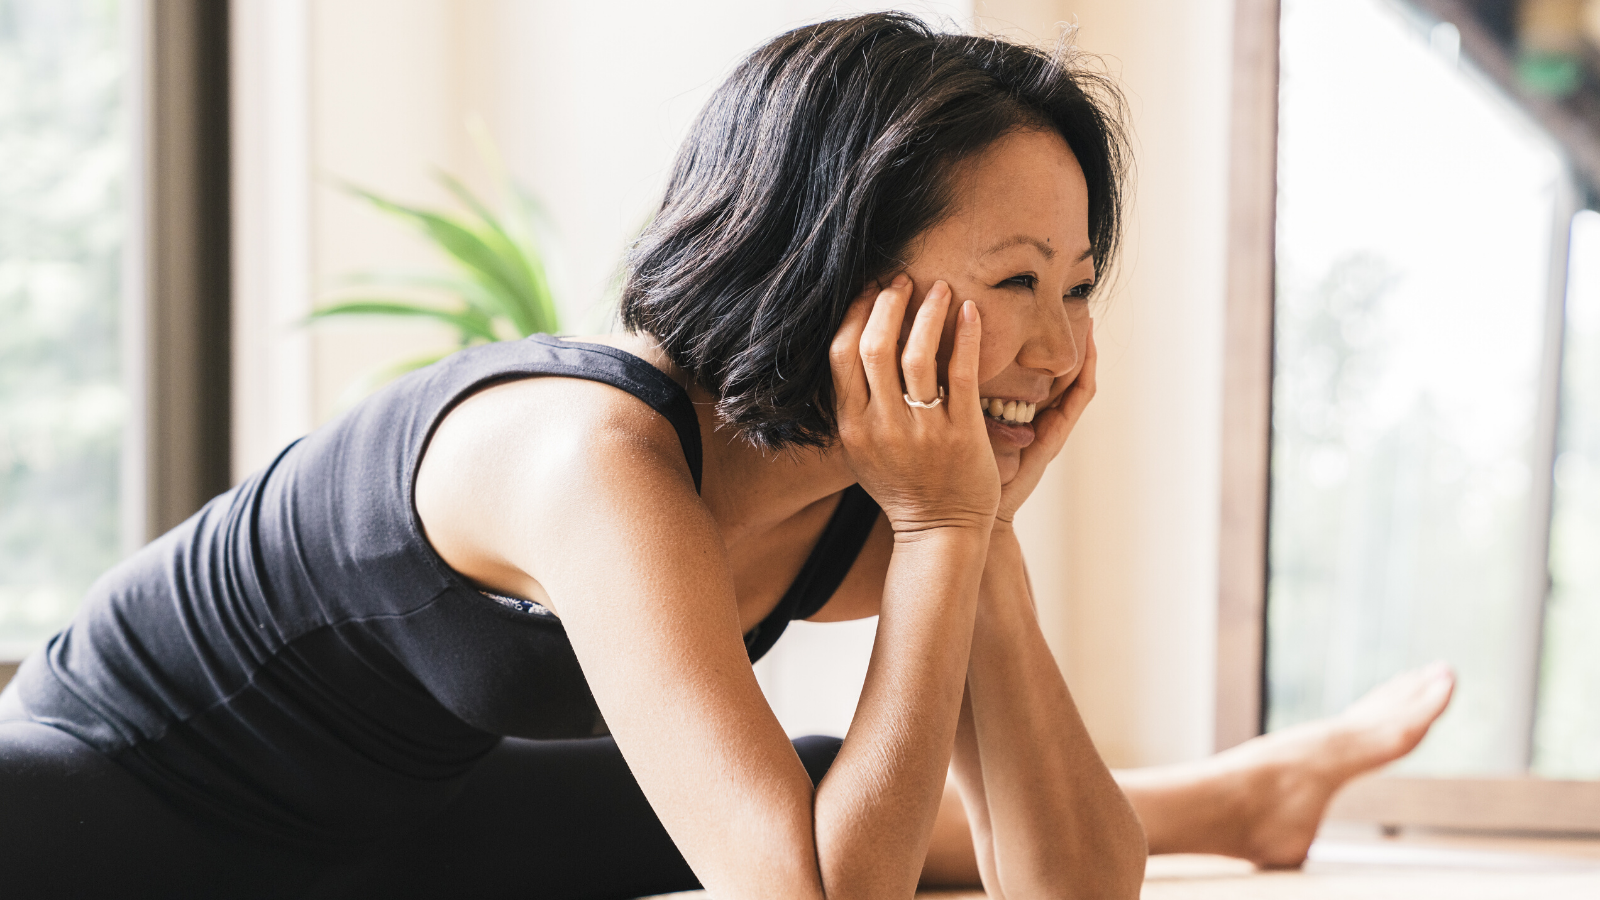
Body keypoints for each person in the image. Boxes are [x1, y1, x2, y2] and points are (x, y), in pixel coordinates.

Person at [0, 12, 1452, 899]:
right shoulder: (587, 456)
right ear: (833, 266)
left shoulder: (895, 493)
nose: (1064, 353)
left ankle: (1246, 794)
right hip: (118, 795)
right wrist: (952, 535)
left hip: (398, 835)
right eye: (1015, 283)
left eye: (1077, 289)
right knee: (803, 816)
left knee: (811, 787)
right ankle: (1238, 788)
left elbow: (1070, 887)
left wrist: (974, 532)